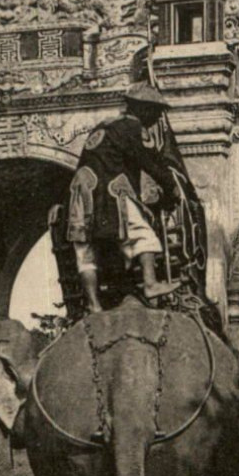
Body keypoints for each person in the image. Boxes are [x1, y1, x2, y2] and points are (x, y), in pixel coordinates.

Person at [66, 82, 182, 312]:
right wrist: (171, 187)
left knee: (85, 251)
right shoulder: (131, 126)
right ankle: (150, 284)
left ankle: (93, 304)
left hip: (82, 192)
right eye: (156, 112)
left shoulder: (105, 125)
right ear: (143, 109)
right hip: (110, 191)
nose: (158, 117)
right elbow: (145, 161)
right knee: (143, 234)